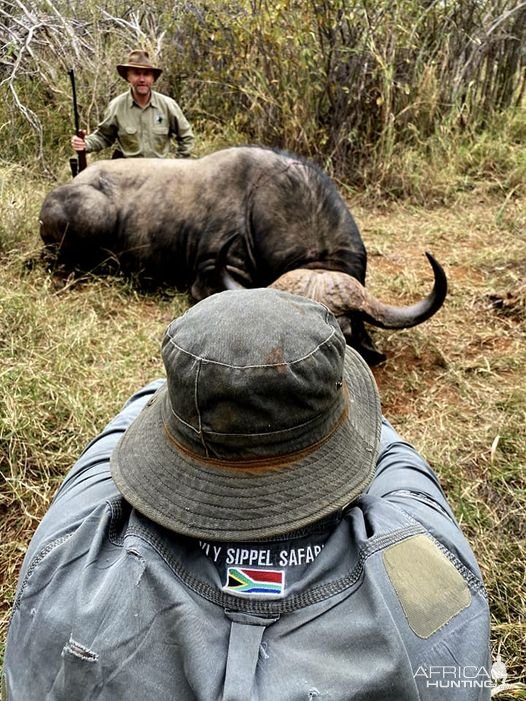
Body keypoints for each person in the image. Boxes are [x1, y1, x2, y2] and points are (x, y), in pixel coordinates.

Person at [3, 289, 491, 700]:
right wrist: (310, 396)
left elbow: (119, 435)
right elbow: (392, 457)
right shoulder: (439, 584)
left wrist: (210, 382)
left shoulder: (66, 559)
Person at [71, 49, 194, 160]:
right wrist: (85, 144)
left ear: (153, 78)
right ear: (128, 77)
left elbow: (186, 138)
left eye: (146, 74)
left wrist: (178, 166)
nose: (141, 79)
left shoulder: (168, 105)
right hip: (128, 174)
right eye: (136, 73)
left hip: (159, 174)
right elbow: (103, 137)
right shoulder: (117, 106)